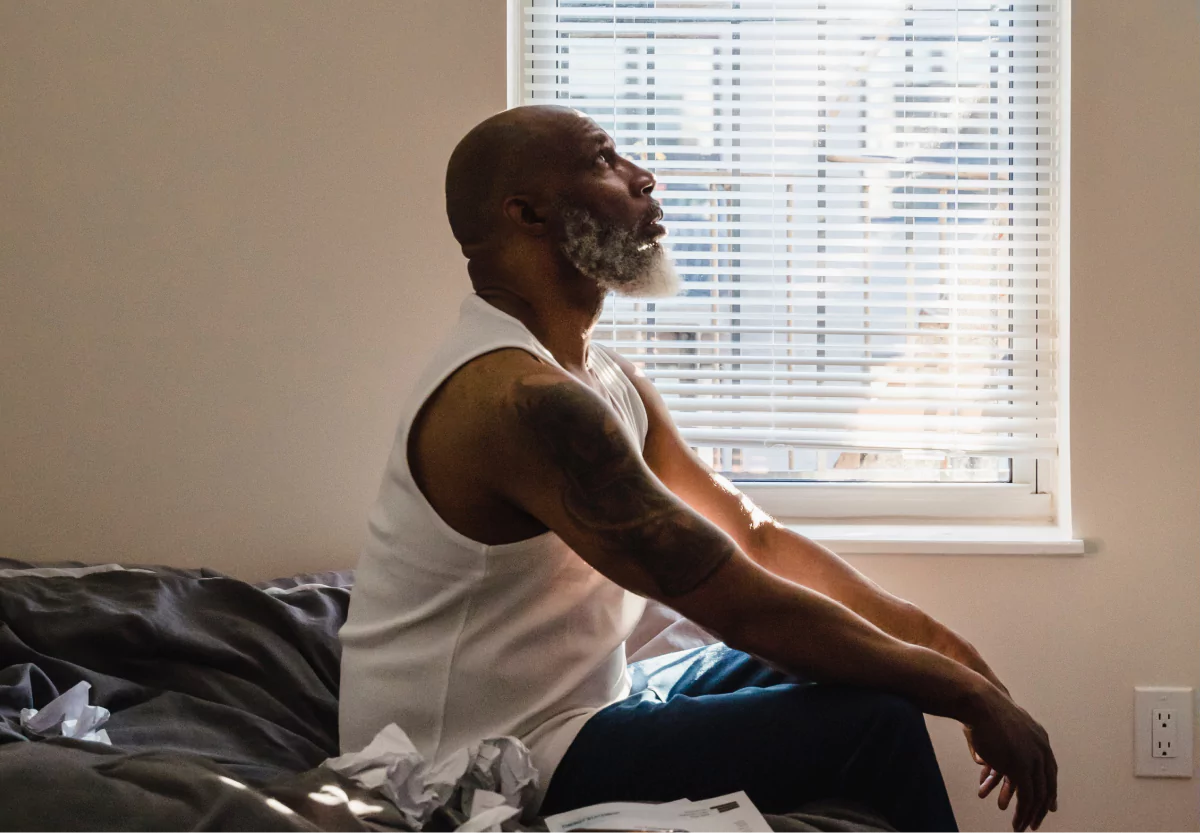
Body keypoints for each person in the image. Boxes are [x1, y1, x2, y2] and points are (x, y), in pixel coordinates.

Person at [338, 105, 1058, 833]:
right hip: (473, 763)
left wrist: (944, 651)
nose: (643, 179)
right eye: (603, 162)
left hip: (584, 703)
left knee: (857, 669)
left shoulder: (599, 376)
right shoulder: (519, 401)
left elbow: (750, 534)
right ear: (526, 213)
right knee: (876, 723)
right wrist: (965, 696)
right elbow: (735, 600)